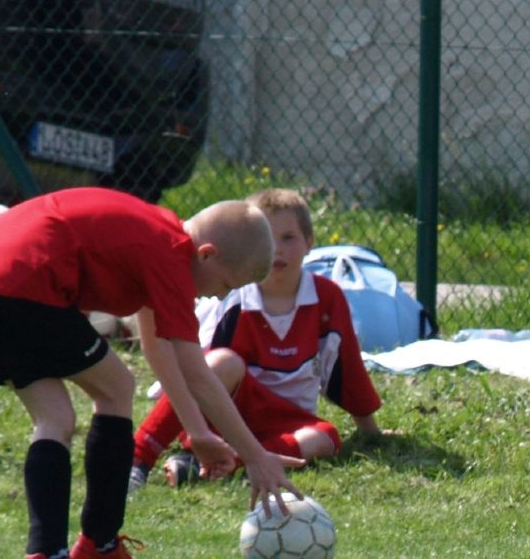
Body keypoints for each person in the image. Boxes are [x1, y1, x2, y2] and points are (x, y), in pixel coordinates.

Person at [0, 188, 303, 559]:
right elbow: (198, 373)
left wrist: (199, 433)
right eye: (224, 285)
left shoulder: (157, 239)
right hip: (18, 285)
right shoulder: (170, 255)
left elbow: (156, 346)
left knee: (56, 416)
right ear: (206, 254)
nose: (218, 296)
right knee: (116, 387)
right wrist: (255, 456)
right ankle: (98, 548)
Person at [128, 188, 384, 490]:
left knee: (324, 437)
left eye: (288, 237)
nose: (277, 249)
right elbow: (194, 369)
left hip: (287, 420)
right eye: (267, 239)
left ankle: (219, 464)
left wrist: (370, 431)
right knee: (225, 362)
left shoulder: (327, 298)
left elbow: (347, 369)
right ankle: (136, 459)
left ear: (309, 243)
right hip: (226, 415)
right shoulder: (229, 294)